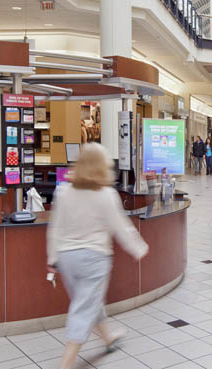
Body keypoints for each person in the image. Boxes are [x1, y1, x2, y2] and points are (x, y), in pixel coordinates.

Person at [47, 143, 148, 367]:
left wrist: (52, 260)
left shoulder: (63, 191)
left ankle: (108, 338)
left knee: (88, 301)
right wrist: (138, 248)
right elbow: (120, 226)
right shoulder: (106, 194)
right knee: (84, 308)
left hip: (67, 259)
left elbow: (55, 227)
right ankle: (65, 364)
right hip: (94, 259)